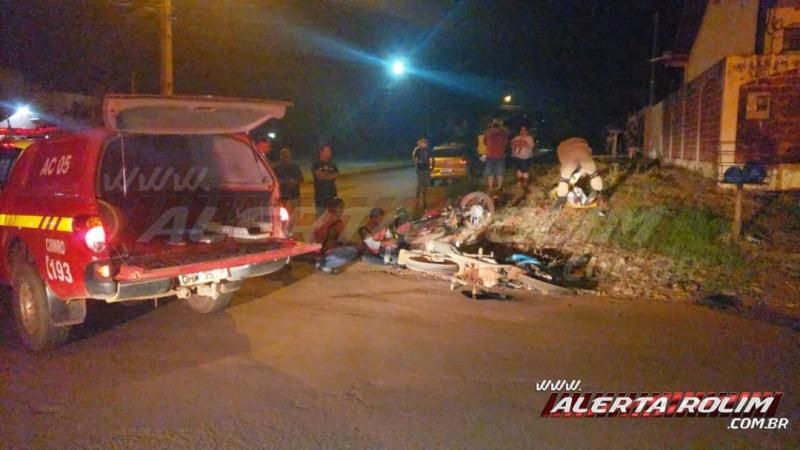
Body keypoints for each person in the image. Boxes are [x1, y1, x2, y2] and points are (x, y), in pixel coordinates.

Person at [553, 137, 605, 211]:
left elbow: (563, 161)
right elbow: (589, 151)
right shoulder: (583, 138)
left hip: (566, 150)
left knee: (564, 179)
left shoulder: (560, 146)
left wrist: (568, 172)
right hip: (582, 146)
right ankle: (599, 194)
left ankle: (560, 202)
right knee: (593, 174)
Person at [313, 197, 357, 273]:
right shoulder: (337, 222)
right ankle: (326, 264)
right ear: (337, 209)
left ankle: (323, 263)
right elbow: (344, 241)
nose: (342, 211)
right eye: (342, 208)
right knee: (353, 250)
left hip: (317, 253)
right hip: (326, 253)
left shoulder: (320, 220)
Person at [273, 147, 303, 219]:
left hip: (294, 195)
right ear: (280, 156)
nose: (285, 157)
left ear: (290, 156)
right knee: (283, 217)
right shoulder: (276, 168)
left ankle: (288, 230)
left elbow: (301, 178)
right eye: (284, 155)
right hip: (283, 196)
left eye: (287, 156)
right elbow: (274, 181)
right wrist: (286, 182)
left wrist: (294, 182)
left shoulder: (295, 166)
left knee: (293, 216)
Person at [311, 144, 339, 217]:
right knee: (321, 218)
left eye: (329, 151)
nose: (329, 152)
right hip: (320, 196)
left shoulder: (333, 164)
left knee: (333, 216)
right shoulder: (316, 164)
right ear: (321, 152)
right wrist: (329, 175)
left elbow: (336, 175)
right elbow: (319, 176)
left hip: (332, 194)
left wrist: (325, 175)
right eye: (327, 151)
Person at [482, 119, 509, 192]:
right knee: (499, 172)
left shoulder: (487, 132)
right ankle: (499, 187)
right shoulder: (503, 133)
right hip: (499, 155)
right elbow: (506, 142)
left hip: (490, 155)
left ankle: (491, 188)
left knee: (491, 172)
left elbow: (484, 142)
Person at [411, 138, 432, 210]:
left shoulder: (428, 150)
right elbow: (413, 157)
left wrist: (430, 168)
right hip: (420, 170)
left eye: (425, 143)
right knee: (419, 186)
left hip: (426, 170)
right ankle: (417, 202)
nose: (424, 144)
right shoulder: (417, 150)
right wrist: (417, 161)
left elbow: (430, 159)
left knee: (425, 187)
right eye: (423, 143)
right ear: (420, 144)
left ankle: (424, 202)